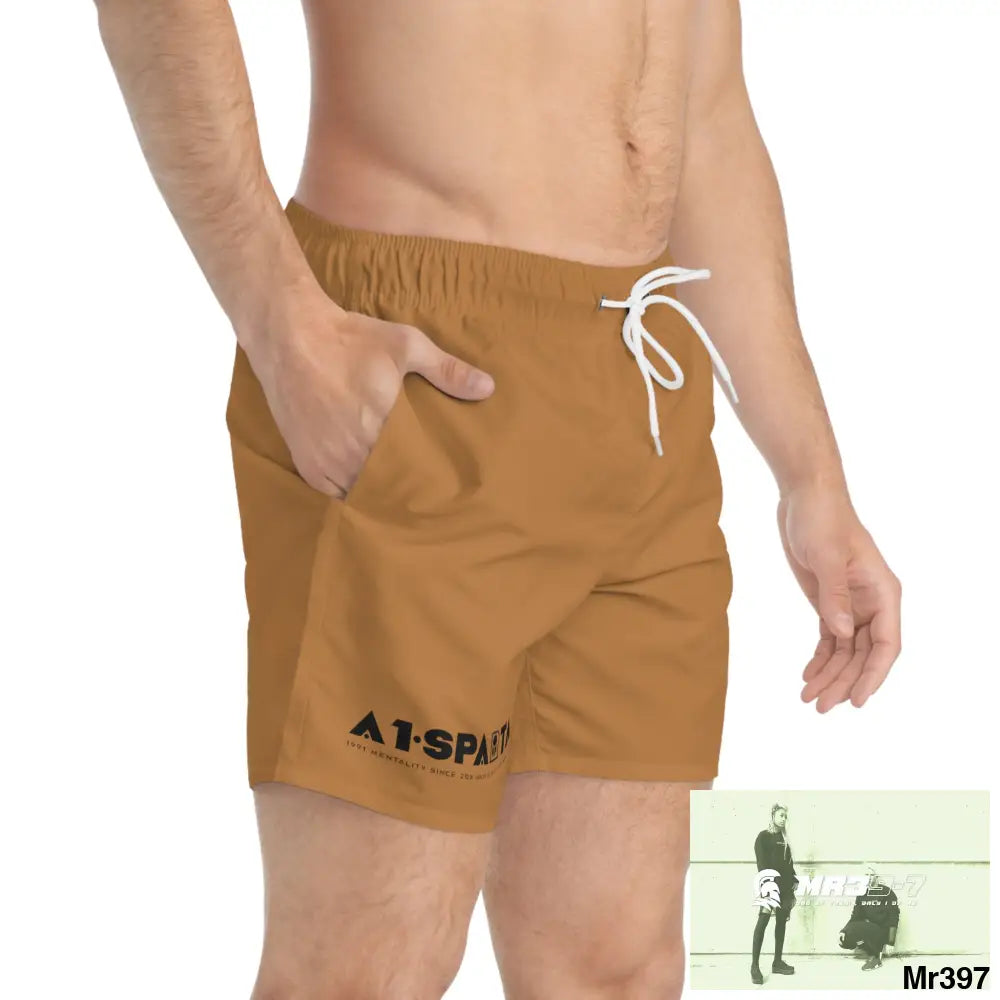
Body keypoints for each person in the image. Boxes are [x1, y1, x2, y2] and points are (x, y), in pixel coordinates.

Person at [94, 1, 903, 996]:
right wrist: (279, 319)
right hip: (422, 361)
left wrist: (811, 475)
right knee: (364, 973)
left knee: (616, 970)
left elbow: (704, 111)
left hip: (643, 387)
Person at [751, 804, 798, 983]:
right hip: (770, 887)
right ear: (773, 816)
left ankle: (777, 962)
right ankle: (754, 966)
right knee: (762, 922)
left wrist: (794, 880)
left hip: (785, 889)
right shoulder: (763, 837)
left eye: (786, 816)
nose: (784, 819)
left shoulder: (785, 840)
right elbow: (761, 865)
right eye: (781, 815)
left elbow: (789, 865)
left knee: (781, 923)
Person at [840, 866, 900, 971]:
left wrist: (891, 942)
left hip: (882, 931)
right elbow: (855, 916)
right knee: (845, 940)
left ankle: (876, 957)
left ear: (876, 877)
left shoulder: (886, 892)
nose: (868, 877)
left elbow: (893, 916)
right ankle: (871, 952)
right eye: (866, 875)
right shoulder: (862, 894)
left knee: (856, 928)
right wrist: (844, 931)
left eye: (871, 875)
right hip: (869, 930)